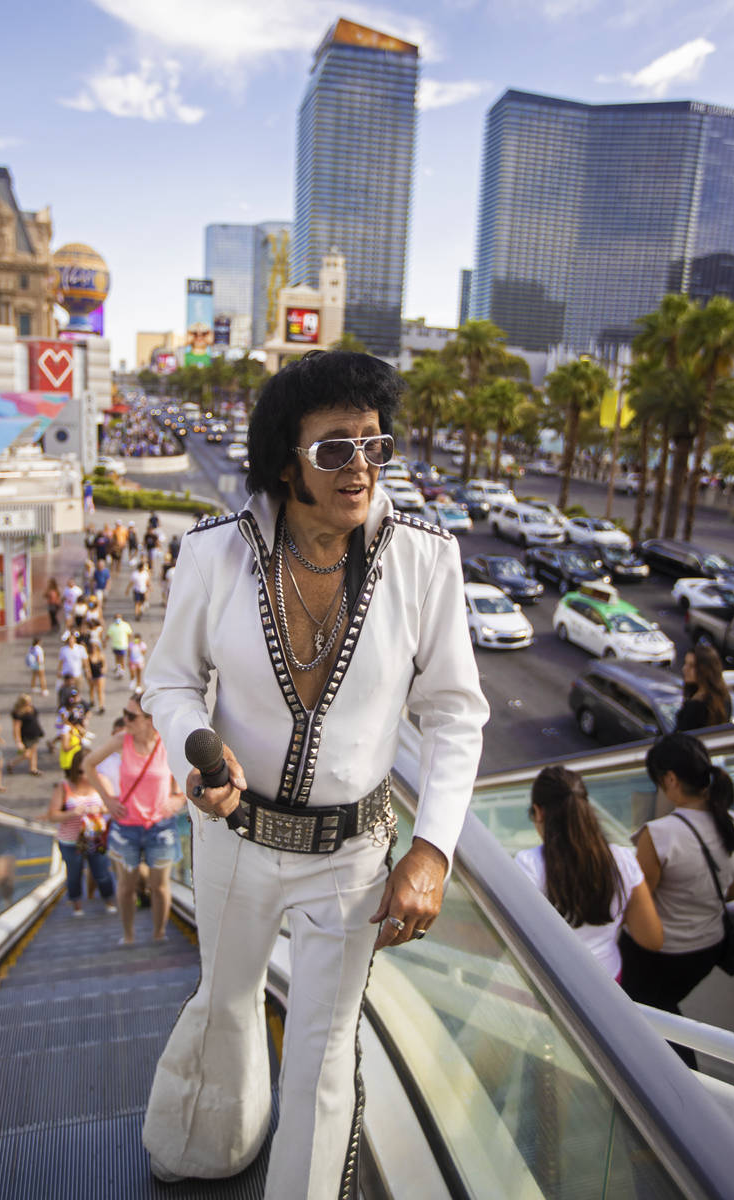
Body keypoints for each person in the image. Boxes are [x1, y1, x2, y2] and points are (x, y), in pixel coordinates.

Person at [140, 350, 489, 1194]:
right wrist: (199, 747)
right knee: (225, 1004)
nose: (361, 467)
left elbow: (454, 713)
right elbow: (170, 681)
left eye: (376, 445)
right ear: (284, 461)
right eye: (336, 449)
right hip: (233, 840)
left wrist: (432, 850)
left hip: (351, 857)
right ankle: (208, 1143)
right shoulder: (214, 554)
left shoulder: (426, 559)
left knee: (327, 1052)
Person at [620, 733, 734, 1066]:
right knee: (664, 1007)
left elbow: (636, 905)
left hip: (658, 956)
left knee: (646, 1014)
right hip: (707, 952)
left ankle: (682, 1076)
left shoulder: (660, 835)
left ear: (670, 779)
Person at [515, 766, 662, 979]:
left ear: (538, 812)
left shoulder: (528, 864)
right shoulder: (623, 859)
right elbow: (652, 938)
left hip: (554, 985)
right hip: (608, 980)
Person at [86, 691, 186, 947]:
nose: (126, 720)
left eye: (132, 716)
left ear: (151, 720)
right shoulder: (122, 740)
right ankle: (128, 935)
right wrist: (108, 800)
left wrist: (179, 799)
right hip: (126, 827)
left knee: (160, 886)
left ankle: (159, 934)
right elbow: (88, 764)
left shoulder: (167, 743)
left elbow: (192, 775)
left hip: (160, 827)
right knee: (126, 888)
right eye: (125, 713)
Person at [48, 748, 117, 917]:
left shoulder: (102, 781)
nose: (84, 776)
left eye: (88, 771)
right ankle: (77, 906)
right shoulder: (64, 787)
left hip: (96, 838)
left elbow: (114, 805)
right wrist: (72, 813)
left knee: (101, 872)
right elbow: (52, 815)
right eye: (80, 771)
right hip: (70, 840)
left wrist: (100, 808)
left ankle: (109, 901)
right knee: (73, 874)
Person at [675, 644, 732, 732]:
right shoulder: (724, 697)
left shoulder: (694, 706)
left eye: (692, 666)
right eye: (685, 663)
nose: (684, 669)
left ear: (705, 669)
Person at [8, 694, 45, 776]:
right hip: (25, 735)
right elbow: (16, 728)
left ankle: (33, 768)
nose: (30, 703)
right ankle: (11, 763)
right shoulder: (18, 713)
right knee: (27, 754)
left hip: (34, 732)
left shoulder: (32, 708)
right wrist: (18, 741)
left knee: (34, 750)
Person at [107, 613, 133, 678]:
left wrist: (131, 643)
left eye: (119, 617)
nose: (117, 619)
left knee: (121, 659)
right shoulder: (112, 626)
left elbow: (130, 634)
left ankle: (122, 670)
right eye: (116, 617)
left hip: (123, 646)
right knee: (117, 658)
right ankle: (118, 668)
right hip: (115, 645)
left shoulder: (125, 625)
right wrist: (104, 642)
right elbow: (108, 635)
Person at [88, 640, 107, 714]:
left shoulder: (101, 655)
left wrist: (104, 669)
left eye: (95, 647)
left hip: (99, 674)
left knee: (100, 690)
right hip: (93, 674)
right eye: (92, 647)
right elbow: (87, 666)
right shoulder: (89, 656)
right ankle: (92, 700)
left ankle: (101, 705)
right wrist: (88, 673)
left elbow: (105, 664)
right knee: (92, 688)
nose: (93, 649)